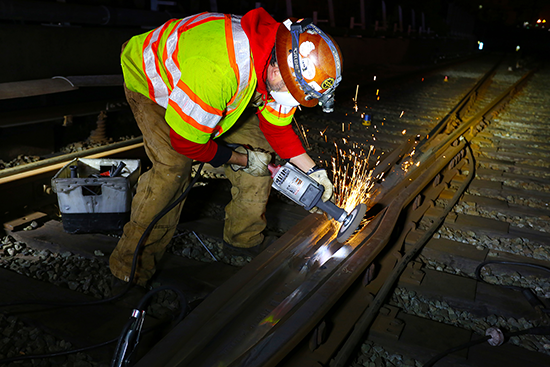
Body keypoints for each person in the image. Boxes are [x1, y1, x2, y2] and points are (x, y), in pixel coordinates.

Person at [109, 7, 343, 287]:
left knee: (260, 149)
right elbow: (186, 144)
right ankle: (130, 266)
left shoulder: (278, 55)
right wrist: (241, 159)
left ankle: (242, 240)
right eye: (293, 91)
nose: (292, 98)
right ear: (278, 66)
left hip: (216, 88)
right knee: (173, 168)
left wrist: (313, 171)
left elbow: (277, 127)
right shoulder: (220, 70)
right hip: (153, 82)